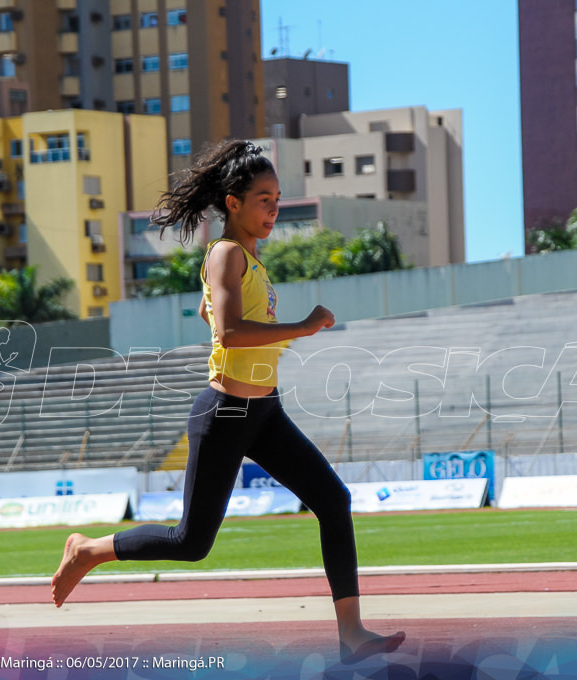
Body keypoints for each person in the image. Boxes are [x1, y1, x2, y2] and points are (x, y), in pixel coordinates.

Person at [51, 139, 405, 663]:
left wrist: (221, 312)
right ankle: (87, 550)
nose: (274, 209)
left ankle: (351, 633)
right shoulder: (225, 252)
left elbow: (211, 314)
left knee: (334, 501)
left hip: (265, 411)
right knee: (191, 542)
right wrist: (303, 326)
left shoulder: (249, 259)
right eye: (264, 198)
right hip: (226, 413)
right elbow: (230, 333)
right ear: (234, 202)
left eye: (278, 198)